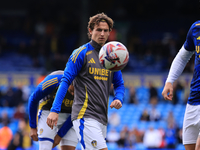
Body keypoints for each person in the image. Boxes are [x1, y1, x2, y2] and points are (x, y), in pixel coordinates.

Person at [47, 12, 125, 150]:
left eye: (105, 30)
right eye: (98, 30)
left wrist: (119, 98)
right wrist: (54, 110)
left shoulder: (112, 57)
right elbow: (65, 81)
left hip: (102, 118)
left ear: (109, 33)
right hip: (85, 115)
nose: (102, 33)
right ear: (90, 31)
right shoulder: (81, 53)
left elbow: (119, 84)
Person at [161, 21, 200, 150]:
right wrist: (169, 81)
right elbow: (183, 56)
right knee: (190, 146)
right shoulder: (196, 28)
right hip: (194, 99)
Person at [28, 70, 78, 150]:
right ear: (69, 82)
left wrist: (60, 135)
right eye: (72, 91)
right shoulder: (53, 81)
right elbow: (33, 99)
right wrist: (33, 126)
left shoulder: (85, 91)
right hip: (48, 110)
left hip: (70, 115)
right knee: (45, 147)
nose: (73, 94)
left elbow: (77, 113)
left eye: (76, 92)